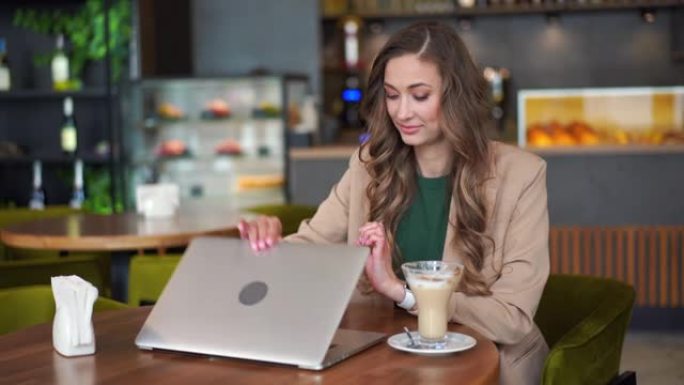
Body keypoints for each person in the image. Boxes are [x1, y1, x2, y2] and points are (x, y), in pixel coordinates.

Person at [238, 21, 549, 385]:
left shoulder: (522, 175)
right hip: (384, 362)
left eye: (419, 96)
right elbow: (312, 246)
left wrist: (403, 293)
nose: (401, 113)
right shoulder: (369, 164)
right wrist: (268, 247)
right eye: (391, 94)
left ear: (456, 96)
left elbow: (511, 318)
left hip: (484, 367)